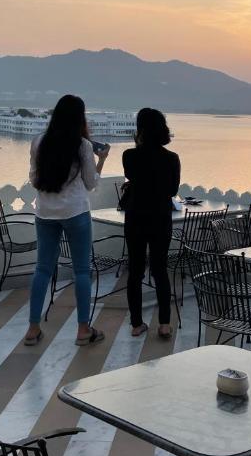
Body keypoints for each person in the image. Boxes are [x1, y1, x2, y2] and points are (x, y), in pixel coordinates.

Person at [25, 94, 108, 347]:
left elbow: (33, 178)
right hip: (75, 213)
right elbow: (91, 183)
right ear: (79, 118)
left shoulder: (38, 142)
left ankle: (32, 329)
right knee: (82, 270)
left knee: (42, 269)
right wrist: (101, 160)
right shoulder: (82, 145)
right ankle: (83, 330)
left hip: (45, 214)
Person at [122, 107, 180, 338]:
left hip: (135, 217)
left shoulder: (129, 155)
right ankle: (164, 324)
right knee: (160, 270)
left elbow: (133, 176)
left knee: (135, 270)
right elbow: (172, 190)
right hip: (160, 217)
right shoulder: (172, 158)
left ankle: (137, 324)